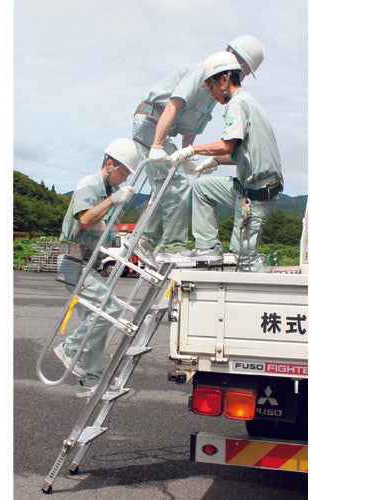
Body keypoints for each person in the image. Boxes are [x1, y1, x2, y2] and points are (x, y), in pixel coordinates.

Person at [132, 35, 265, 265]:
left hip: (163, 131)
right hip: (150, 124)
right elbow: (174, 105)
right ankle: (171, 248)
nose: (242, 77)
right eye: (244, 71)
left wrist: (186, 157)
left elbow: (191, 127)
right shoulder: (200, 72)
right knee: (177, 186)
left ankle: (142, 241)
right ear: (237, 62)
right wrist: (157, 145)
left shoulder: (215, 93)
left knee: (171, 184)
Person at [169, 51, 283, 272]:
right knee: (202, 188)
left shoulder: (238, 104)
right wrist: (213, 161)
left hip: (257, 194)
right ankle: (207, 247)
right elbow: (243, 152)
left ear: (224, 80)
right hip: (249, 187)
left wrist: (191, 150)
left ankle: (260, 294)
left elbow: (228, 145)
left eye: (211, 87)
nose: (211, 95)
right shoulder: (247, 102)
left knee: (244, 255)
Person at [54, 138, 141, 397]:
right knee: (109, 310)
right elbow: (85, 219)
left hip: (88, 262)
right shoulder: (89, 186)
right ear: (110, 164)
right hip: (73, 260)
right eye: (124, 172)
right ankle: (69, 349)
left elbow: (104, 232)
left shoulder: (108, 193)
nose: (125, 178)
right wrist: (113, 200)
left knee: (96, 322)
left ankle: (90, 381)